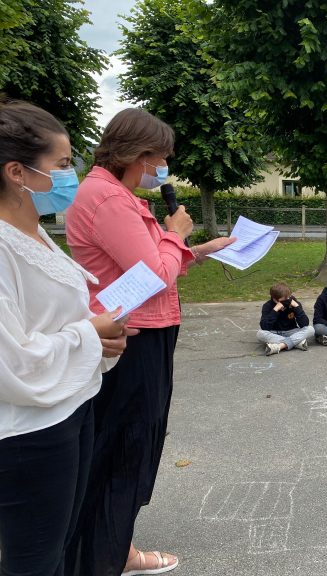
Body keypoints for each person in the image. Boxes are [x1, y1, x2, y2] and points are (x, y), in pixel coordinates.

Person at [65, 108, 235, 576]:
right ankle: (104, 557)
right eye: (160, 158)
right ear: (138, 155)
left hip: (141, 331)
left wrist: (196, 251)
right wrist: (174, 234)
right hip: (132, 338)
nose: (163, 169)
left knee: (131, 446)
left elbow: (147, 268)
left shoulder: (115, 194)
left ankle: (113, 547)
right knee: (124, 449)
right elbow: (152, 277)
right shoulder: (108, 199)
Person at [0, 99, 132, 576]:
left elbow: (54, 322)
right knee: (33, 561)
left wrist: (99, 341)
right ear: (17, 172)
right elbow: (10, 362)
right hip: (28, 432)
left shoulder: (36, 233)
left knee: (56, 547)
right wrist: (89, 333)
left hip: (73, 407)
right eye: (60, 164)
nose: (69, 174)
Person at [257, 282, 315, 355]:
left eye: (288, 297)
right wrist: (275, 310)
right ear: (275, 299)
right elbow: (264, 327)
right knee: (260, 334)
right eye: (285, 299)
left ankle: (280, 346)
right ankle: (297, 343)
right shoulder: (267, 306)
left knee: (310, 329)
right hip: (274, 332)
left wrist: (297, 307)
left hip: (291, 331)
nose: (288, 299)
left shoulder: (293, 302)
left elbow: (304, 324)